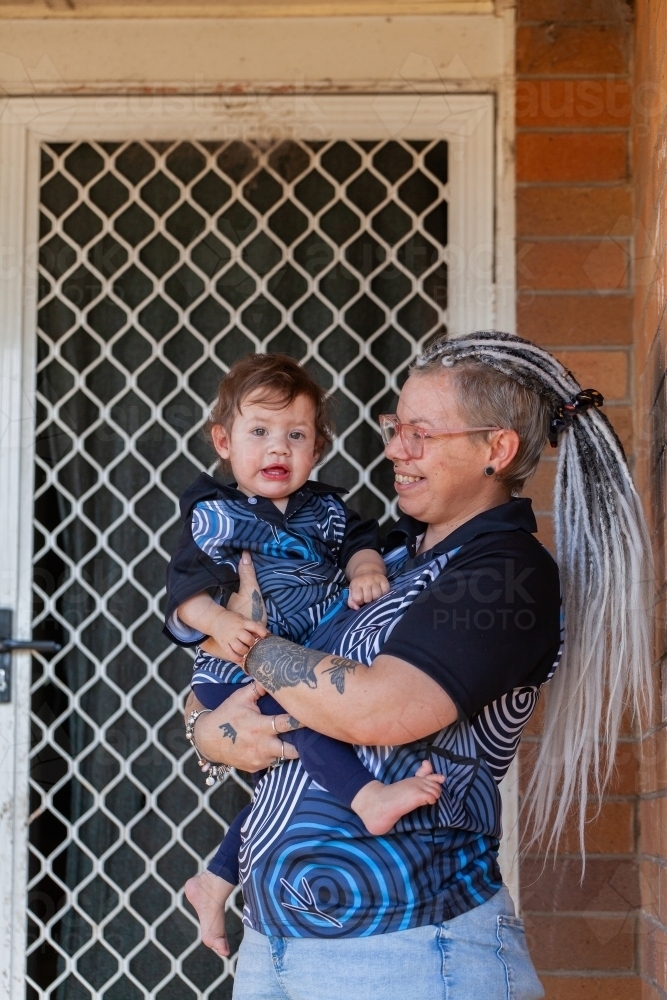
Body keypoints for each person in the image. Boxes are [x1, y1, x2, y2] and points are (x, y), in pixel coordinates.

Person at [185, 333, 652, 1000]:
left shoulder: (502, 572)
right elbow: (216, 706)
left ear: (496, 449)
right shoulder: (386, 559)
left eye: (420, 434)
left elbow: (378, 709)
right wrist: (210, 734)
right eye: (393, 427)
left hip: (409, 949)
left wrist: (243, 640)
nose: (394, 449)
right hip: (275, 942)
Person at [165, 353, 445, 954]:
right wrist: (218, 617)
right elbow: (184, 591)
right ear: (223, 441)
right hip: (233, 668)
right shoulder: (213, 514)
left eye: (296, 435)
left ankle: (213, 881)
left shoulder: (327, 510)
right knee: (310, 739)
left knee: (290, 783)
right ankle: (367, 799)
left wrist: (366, 564)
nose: (277, 449)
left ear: (317, 447)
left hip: (303, 660)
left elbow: (364, 539)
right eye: (259, 433)